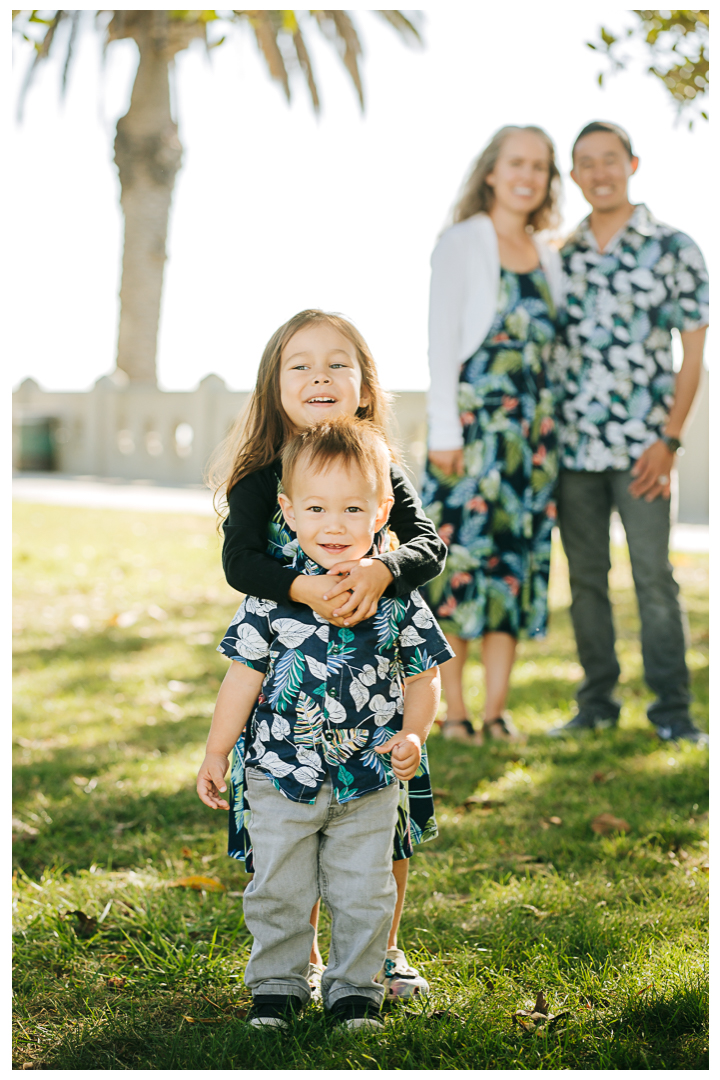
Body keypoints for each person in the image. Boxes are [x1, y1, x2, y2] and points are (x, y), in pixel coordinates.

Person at [210, 309, 448, 1000]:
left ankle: (382, 952)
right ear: (274, 387)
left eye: (337, 363)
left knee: (382, 839)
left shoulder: (384, 471)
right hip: (294, 702)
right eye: (300, 364)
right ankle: (306, 959)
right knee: (295, 841)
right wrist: (303, 588)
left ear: (366, 386)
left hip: (376, 701)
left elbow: (426, 544)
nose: (320, 375)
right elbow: (240, 562)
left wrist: (384, 570)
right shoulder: (260, 479)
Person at [547, 121, 708, 744]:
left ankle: (673, 713)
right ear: (575, 176)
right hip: (573, 449)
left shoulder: (674, 248)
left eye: (610, 159)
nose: (600, 172)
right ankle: (597, 703)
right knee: (586, 579)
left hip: (645, 449)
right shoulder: (561, 256)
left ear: (633, 164)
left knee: (653, 577)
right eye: (586, 163)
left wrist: (669, 442)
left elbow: (692, 358)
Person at [421, 125, 564, 744]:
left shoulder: (549, 253)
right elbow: (442, 344)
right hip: (472, 436)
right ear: (491, 172)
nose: (527, 175)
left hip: (530, 447)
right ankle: (453, 713)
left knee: (513, 568)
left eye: (539, 165)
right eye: (517, 163)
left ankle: (496, 710)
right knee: (457, 568)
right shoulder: (462, 242)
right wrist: (443, 429)